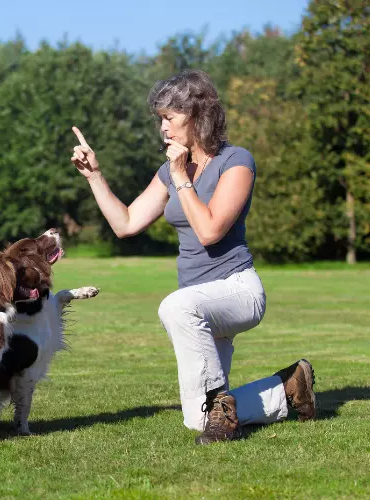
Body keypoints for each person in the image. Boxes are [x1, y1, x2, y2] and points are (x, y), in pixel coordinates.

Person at [69, 69, 316, 444]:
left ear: (198, 114)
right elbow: (127, 223)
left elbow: (210, 230)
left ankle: (221, 405)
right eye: (160, 120)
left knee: (175, 307)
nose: (163, 128)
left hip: (237, 290)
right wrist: (95, 176)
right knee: (197, 421)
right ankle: (288, 387)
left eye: (169, 117)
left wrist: (181, 176)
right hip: (198, 304)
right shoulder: (169, 172)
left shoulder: (236, 161)